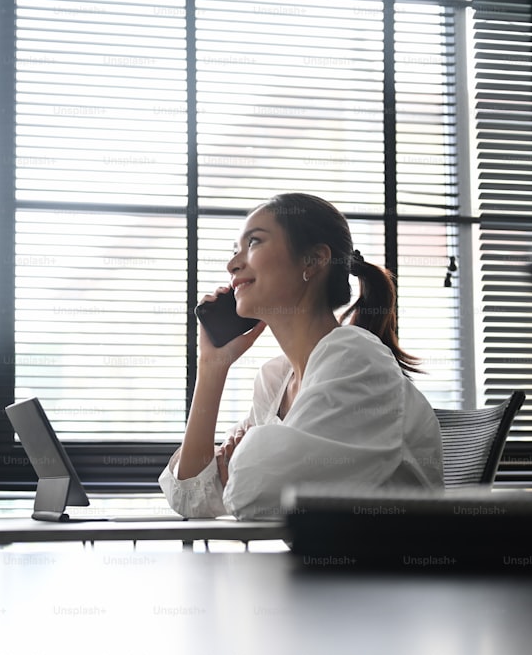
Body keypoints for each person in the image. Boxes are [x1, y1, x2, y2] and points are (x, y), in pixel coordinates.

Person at [159, 193, 443, 520]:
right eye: (235, 249)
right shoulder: (275, 379)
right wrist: (213, 368)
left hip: (388, 570)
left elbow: (257, 492)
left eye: (254, 242)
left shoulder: (356, 359)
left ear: (313, 260)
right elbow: (194, 497)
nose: (232, 264)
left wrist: (245, 454)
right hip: (319, 569)